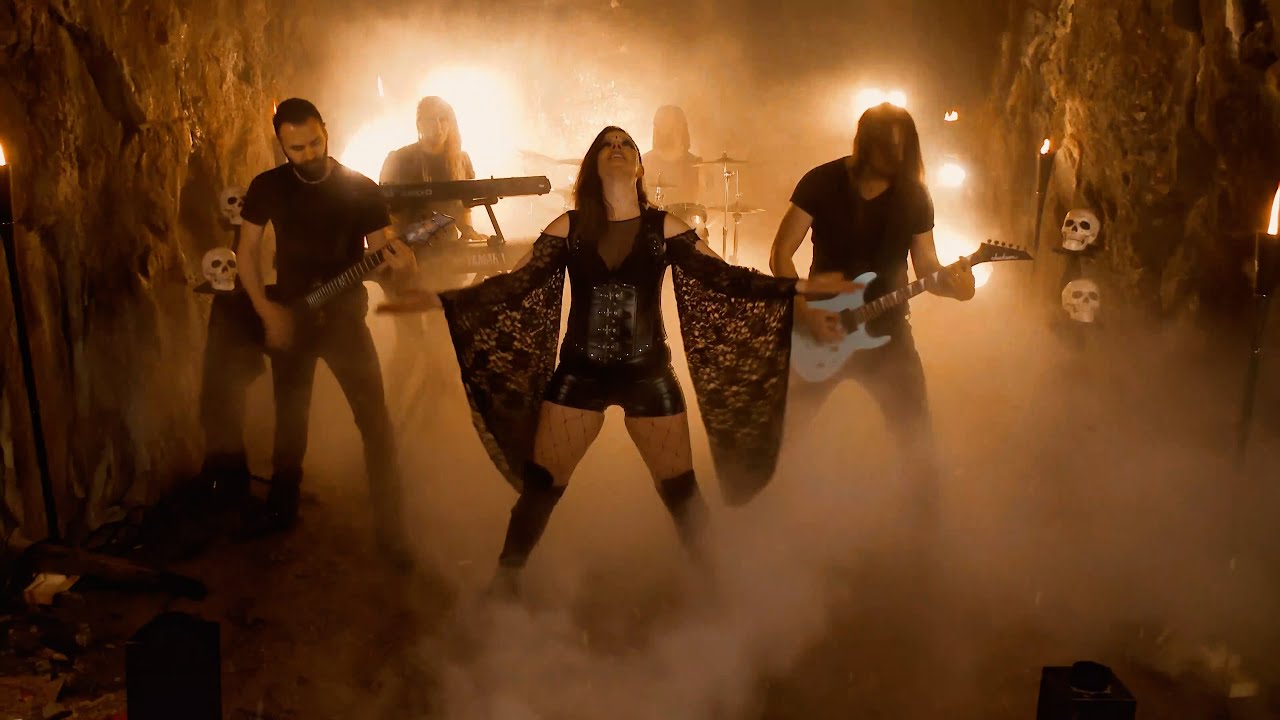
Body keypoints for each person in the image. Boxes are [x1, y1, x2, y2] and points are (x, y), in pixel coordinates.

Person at [378, 126, 859, 595]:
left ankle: (718, 585)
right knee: (542, 487)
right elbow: (514, 283)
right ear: (593, 165)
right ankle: (505, 581)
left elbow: (726, 277)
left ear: (639, 166)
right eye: (607, 144)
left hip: (648, 375)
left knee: (680, 491)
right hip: (580, 374)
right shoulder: (568, 227)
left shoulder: (665, 226)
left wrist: (799, 286)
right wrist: (440, 299)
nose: (617, 148)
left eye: (626, 143)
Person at [768, 102, 975, 524]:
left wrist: (958, 290)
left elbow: (927, 268)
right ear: (865, 143)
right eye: (888, 147)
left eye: (904, 149)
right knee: (784, 432)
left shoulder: (914, 196)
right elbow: (780, 255)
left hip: (886, 331)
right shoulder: (822, 181)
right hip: (821, 326)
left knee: (915, 434)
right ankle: (766, 520)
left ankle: (927, 530)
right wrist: (804, 313)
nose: (897, 157)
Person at [235, 98, 418, 557]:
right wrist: (266, 311)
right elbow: (246, 251)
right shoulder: (268, 186)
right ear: (281, 144)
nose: (308, 154)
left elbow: (381, 254)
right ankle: (281, 511)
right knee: (290, 421)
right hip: (291, 316)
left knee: (375, 422)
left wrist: (402, 266)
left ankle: (392, 528)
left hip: (344, 319)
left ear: (326, 130)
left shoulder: (361, 189)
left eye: (315, 142)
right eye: (296, 148)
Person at [377, 97, 483, 424]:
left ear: (450, 123)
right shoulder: (399, 159)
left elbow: (463, 208)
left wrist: (468, 232)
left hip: (445, 263)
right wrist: (395, 250)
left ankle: (434, 421)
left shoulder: (460, 159)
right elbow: (380, 213)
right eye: (429, 120)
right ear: (417, 123)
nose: (436, 127)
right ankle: (389, 420)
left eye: (442, 119)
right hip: (406, 262)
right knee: (409, 346)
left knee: (444, 342)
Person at [642, 105, 703, 207]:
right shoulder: (643, 164)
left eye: (668, 125)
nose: (662, 130)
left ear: (681, 129)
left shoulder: (697, 165)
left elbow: (709, 205)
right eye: (658, 125)